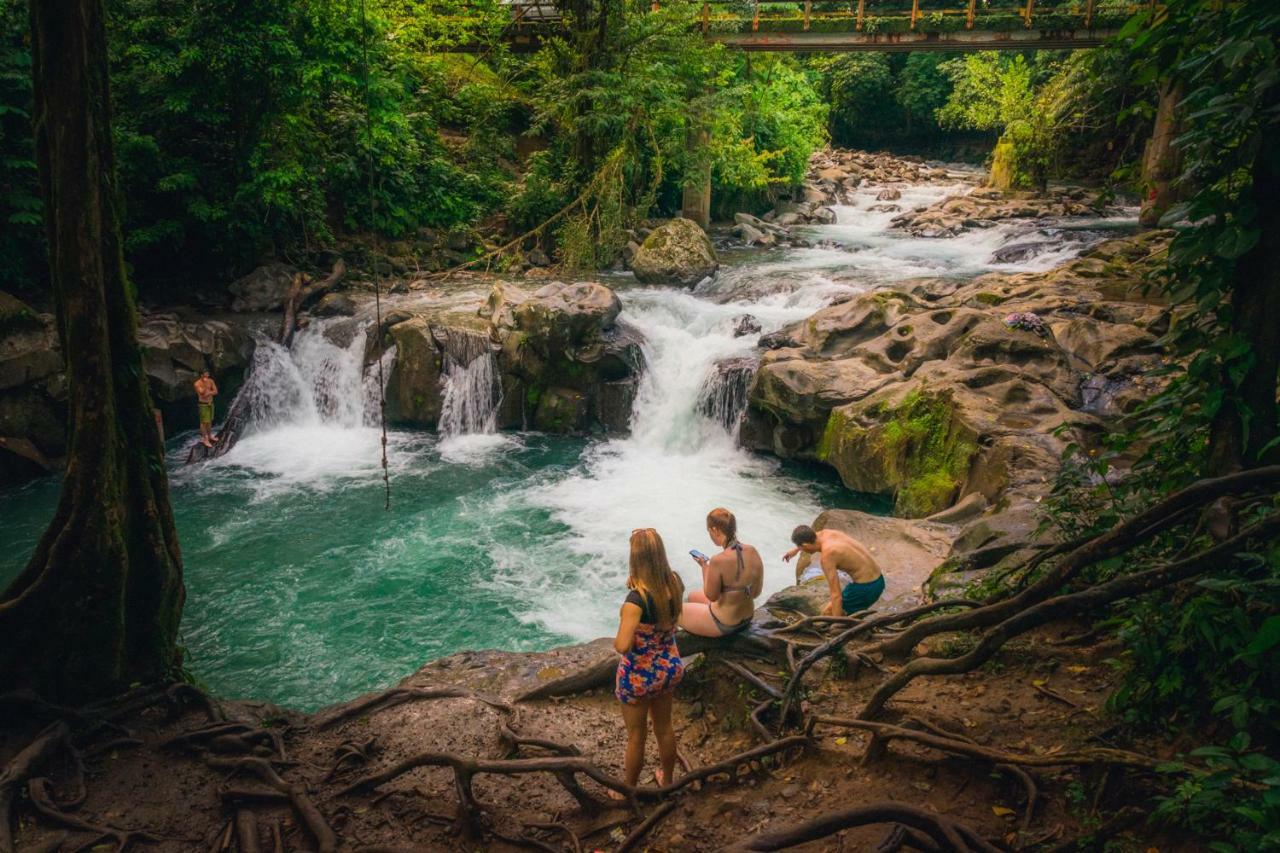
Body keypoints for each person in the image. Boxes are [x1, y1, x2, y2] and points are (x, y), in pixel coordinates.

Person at [613, 528, 685, 795]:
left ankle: (627, 791)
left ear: (636, 559)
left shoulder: (635, 601)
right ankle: (667, 779)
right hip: (669, 668)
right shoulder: (675, 583)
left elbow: (622, 645)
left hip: (639, 677)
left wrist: (625, 613)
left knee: (636, 736)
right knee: (664, 728)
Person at [679, 508, 763, 637]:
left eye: (709, 531)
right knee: (692, 596)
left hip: (724, 624)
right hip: (747, 617)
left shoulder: (718, 560)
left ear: (715, 530)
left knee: (674, 611)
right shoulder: (752, 551)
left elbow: (711, 596)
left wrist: (704, 567)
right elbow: (756, 593)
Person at [783, 525, 884, 617]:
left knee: (828, 614)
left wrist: (835, 623)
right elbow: (810, 536)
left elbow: (836, 595)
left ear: (805, 546)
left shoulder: (827, 556)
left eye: (801, 548)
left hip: (867, 589)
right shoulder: (827, 533)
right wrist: (795, 550)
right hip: (879, 579)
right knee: (830, 611)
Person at [193, 370, 219, 448]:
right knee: (204, 422)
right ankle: (205, 439)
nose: (207, 376)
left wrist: (209, 392)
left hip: (211, 403)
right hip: (203, 405)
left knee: (209, 421)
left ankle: (210, 436)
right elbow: (202, 394)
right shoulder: (197, 383)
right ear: (201, 375)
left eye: (208, 374)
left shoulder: (211, 381)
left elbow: (215, 391)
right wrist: (205, 385)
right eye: (205, 374)